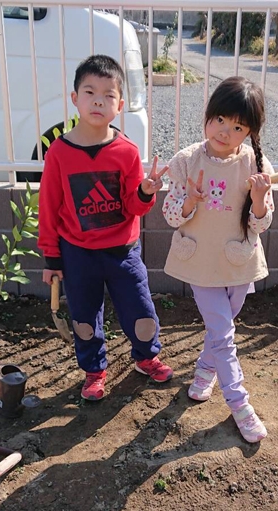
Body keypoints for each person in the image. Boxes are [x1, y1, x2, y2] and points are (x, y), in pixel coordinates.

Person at [38, 54, 173, 401]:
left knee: (141, 311)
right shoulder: (58, 153)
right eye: (90, 92)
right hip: (77, 254)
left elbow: (133, 207)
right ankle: (94, 371)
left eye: (108, 95)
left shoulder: (126, 151)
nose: (98, 100)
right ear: (75, 99)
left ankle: (147, 357)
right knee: (84, 317)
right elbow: (49, 207)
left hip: (123, 253)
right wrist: (52, 259)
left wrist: (144, 192)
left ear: (120, 105)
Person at [162, 76, 274, 443]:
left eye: (238, 126)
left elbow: (262, 221)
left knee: (220, 328)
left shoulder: (257, 164)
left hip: (239, 260)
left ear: (249, 131)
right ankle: (240, 406)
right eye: (221, 119)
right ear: (209, 115)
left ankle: (204, 372)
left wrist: (259, 197)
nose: (226, 131)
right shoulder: (186, 161)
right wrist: (190, 201)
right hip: (200, 261)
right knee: (224, 334)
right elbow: (170, 215)